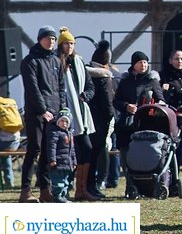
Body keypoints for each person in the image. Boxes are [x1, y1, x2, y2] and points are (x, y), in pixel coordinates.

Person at [19, 25, 66, 203]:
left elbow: (61, 88)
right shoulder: (30, 61)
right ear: (40, 39)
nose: (51, 41)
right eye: (47, 38)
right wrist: (43, 110)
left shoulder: (56, 61)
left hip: (54, 113)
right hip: (36, 113)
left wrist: (62, 108)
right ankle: (25, 191)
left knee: (48, 152)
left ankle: (45, 190)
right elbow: (33, 90)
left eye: (53, 38)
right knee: (34, 149)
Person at [56, 27, 98, 201]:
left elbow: (90, 86)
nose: (70, 46)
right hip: (65, 113)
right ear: (61, 45)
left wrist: (84, 96)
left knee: (87, 148)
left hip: (81, 114)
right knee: (66, 152)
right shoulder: (56, 62)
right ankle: (63, 189)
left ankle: (81, 189)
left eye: (72, 43)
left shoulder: (79, 62)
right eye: (67, 43)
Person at [113, 50, 164, 175]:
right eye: (140, 62)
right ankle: (129, 183)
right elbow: (116, 101)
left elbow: (161, 100)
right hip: (127, 124)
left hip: (146, 123)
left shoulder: (152, 80)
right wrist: (126, 106)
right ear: (134, 64)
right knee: (127, 153)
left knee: (144, 153)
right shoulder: (125, 81)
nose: (144, 65)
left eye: (145, 62)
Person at [87, 42, 116, 199]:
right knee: (99, 150)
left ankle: (86, 185)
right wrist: (111, 116)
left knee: (88, 154)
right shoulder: (104, 77)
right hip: (101, 121)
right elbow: (107, 103)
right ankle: (94, 185)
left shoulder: (86, 74)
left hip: (88, 119)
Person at [160, 49, 182, 170]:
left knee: (180, 147)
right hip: (167, 118)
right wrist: (163, 90)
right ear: (170, 61)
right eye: (176, 58)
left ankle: (176, 174)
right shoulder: (163, 76)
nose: (179, 61)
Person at [46, 108, 76, 203]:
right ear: (58, 121)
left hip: (67, 163)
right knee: (58, 182)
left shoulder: (69, 134)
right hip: (58, 164)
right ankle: (57, 196)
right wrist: (52, 160)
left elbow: (72, 150)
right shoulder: (54, 133)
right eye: (62, 121)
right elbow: (51, 148)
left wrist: (74, 161)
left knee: (66, 182)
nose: (64, 123)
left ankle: (63, 196)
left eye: (66, 121)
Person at [0, 95, 22, 189]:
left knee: (5, 156)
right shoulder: (10, 103)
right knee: (6, 157)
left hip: (3, 143)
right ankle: (9, 182)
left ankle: (8, 182)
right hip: (16, 142)